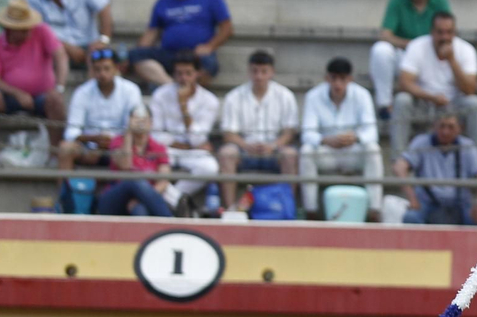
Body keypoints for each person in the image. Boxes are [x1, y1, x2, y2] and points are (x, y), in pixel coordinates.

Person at [128, 0, 232, 89]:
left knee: (210, 64)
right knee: (136, 55)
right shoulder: (163, 1)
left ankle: (188, 89)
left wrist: (209, 47)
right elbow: (152, 33)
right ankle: (172, 87)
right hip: (169, 54)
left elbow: (227, 28)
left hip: (196, 54)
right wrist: (137, 52)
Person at [301, 56, 383, 220]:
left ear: (350, 79)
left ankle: (374, 209)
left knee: (373, 149)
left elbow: (372, 132)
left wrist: (355, 138)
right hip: (328, 153)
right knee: (306, 151)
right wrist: (326, 140)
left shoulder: (362, 95)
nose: (338, 84)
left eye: (342, 79)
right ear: (327, 78)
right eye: (334, 78)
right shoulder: (313, 96)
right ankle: (311, 210)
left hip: (353, 152)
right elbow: (307, 134)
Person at [216, 50, 299, 210]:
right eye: (255, 71)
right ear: (249, 71)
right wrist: (246, 145)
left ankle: (288, 208)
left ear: (272, 72)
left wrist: (273, 146)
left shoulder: (285, 96)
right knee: (226, 153)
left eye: (264, 71)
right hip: (244, 151)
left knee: (290, 155)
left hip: (274, 151)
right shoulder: (234, 96)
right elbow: (228, 134)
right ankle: (230, 208)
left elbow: (290, 132)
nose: (259, 76)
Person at [0, 0, 68, 150]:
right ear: (10, 28)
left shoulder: (42, 31)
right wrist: (17, 93)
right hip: (9, 97)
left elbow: (61, 56)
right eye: (23, 28)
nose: (29, 31)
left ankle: (55, 153)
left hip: (43, 96)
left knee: (56, 100)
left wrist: (59, 87)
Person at [393, 11, 477, 158]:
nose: (444, 37)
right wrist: (431, 97)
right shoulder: (417, 46)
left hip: (454, 106)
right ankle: (398, 159)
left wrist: (452, 60)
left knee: (475, 103)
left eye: (449, 32)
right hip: (424, 103)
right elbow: (404, 83)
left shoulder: (466, 50)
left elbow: (470, 89)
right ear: (432, 32)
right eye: (440, 32)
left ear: (455, 33)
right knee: (402, 100)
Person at [370, 0, 453, 119]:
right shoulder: (397, 0)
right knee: (380, 50)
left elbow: (448, 31)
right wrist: (412, 45)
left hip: (430, 56)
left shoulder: (440, 1)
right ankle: (384, 105)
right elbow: (385, 34)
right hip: (404, 54)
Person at [148, 53, 220, 208]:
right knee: (147, 162)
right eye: (179, 73)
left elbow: (198, 139)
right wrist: (181, 145)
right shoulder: (160, 95)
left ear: (197, 74)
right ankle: (177, 203)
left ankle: (172, 199)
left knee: (209, 167)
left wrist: (184, 107)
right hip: (166, 149)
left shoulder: (209, 100)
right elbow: (156, 133)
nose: (183, 78)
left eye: (188, 73)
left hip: (192, 152)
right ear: (173, 74)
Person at [57, 46, 142, 175]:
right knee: (65, 148)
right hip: (89, 147)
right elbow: (71, 132)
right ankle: (64, 188)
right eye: (97, 69)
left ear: (116, 68)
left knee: (130, 149)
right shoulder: (82, 92)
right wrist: (93, 139)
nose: (102, 74)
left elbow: (133, 126)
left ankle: (126, 186)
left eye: (107, 69)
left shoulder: (131, 90)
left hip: (121, 146)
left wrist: (113, 142)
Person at [394, 110, 477, 225]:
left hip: (460, 203)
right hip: (427, 203)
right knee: (411, 218)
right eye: (442, 126)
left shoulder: (468, 146)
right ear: (434, 127)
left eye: (451, 127)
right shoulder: (421, 142)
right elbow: (399, 167)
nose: (445, 132)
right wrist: (412, 198)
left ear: (459, 129)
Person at [28, 0, 114, 68]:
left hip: (90, 45)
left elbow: (104, 6)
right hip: (58, 48)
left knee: (104, 60)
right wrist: (67, 48)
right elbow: (38, 32)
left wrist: (103, 40)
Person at [95, 107, 175, 217]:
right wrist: (128, 133)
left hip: (143, 199)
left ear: (151, 123)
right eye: (136, 118)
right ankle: (170, 221)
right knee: (134, 179)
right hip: (114, 198)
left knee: (140, 209)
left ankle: (164, 224)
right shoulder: (117, 141)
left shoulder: (158, 147)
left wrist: (143, 197)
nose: (140, 122)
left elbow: (163, 181)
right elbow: (125, 165)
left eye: (144, 119)